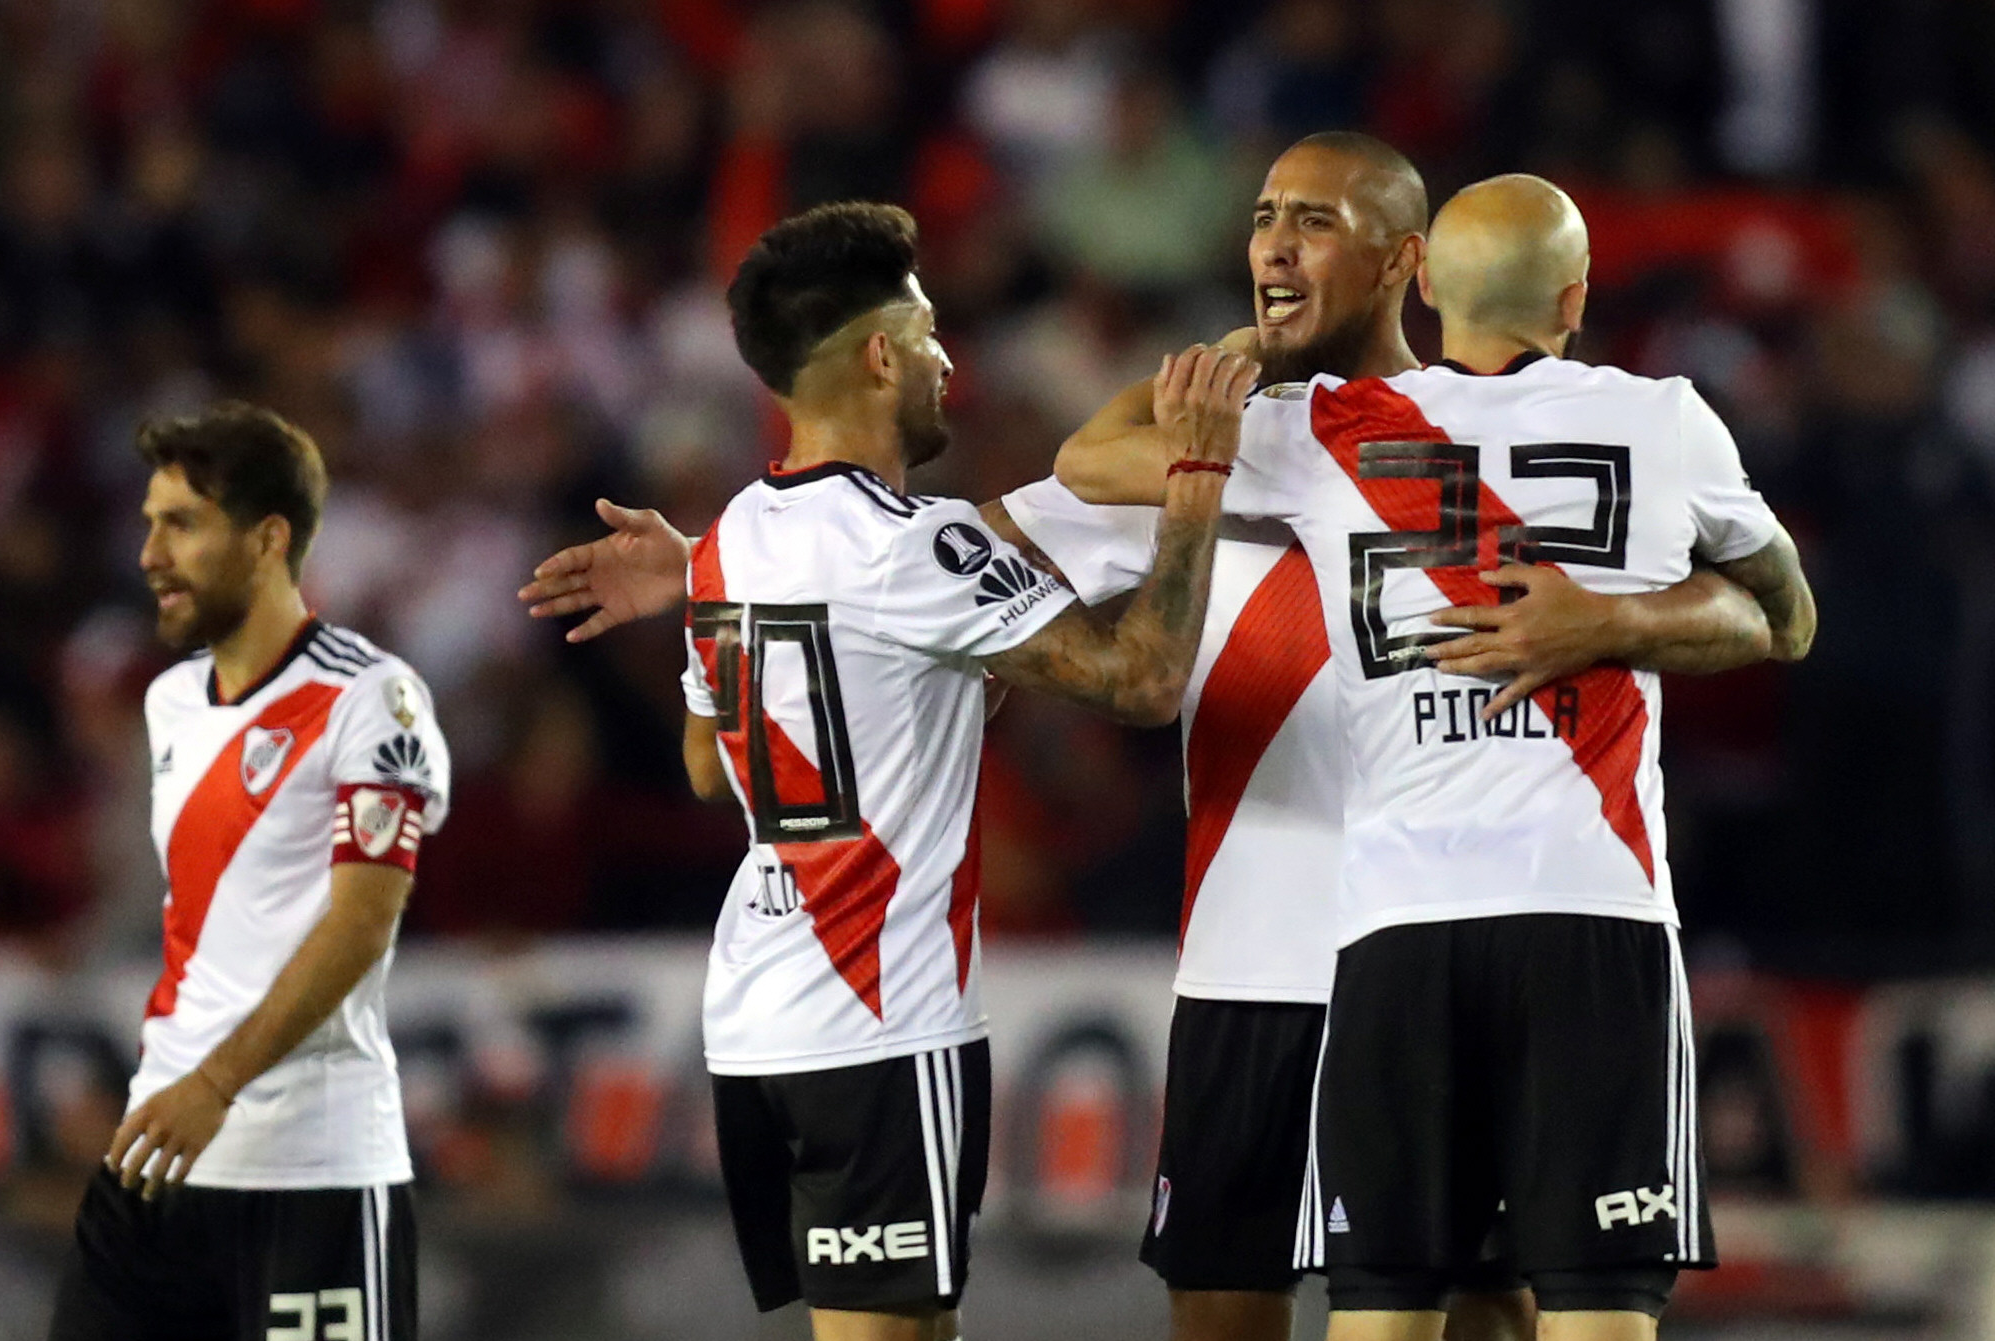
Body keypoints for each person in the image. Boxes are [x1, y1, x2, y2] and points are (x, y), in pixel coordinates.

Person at [522, 134, 1775, 1341]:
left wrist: (1621, 619)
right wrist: (718, 570)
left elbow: (1755, 610)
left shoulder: (1516, 455)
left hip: (1438, 938)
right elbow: (923, 573)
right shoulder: (1189, 455)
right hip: (1252, 956)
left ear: (1411, 263)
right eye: (1263, 220)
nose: (1274, 247)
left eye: (1315, 222)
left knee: (1487, 1306)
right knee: (1224, 1306)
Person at [1061, 173, 1815, 1339]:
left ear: (1421, 286)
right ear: (1575, 297)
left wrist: (1255, 341)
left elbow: (1089, 457)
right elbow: (1786, 616)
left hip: (1396, 932)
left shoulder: (1330, 430)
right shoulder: (1666, 419)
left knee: (1384, 1309)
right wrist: (1614, 621)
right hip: (1595, 913)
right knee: (1593, 1309)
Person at [652, 200, 1251, 1341]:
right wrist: (1195, 480)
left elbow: (705, 765)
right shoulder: (914, 541)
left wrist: (926, 690)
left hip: (757, 1009)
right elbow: (1143, 680)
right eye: (929, 335)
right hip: (877, 1016)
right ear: (881, 356)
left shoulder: (728, 539)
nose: (948, 363)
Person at [49, 403, 451, 1341]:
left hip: (312, 1167)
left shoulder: (371, 697)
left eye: (182, 525)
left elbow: (363, 921)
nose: (151, 554)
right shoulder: (169, 703)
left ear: (269, 539)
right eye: (150, 524)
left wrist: (216, 1083)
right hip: (156, 1159)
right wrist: (180, 1085)